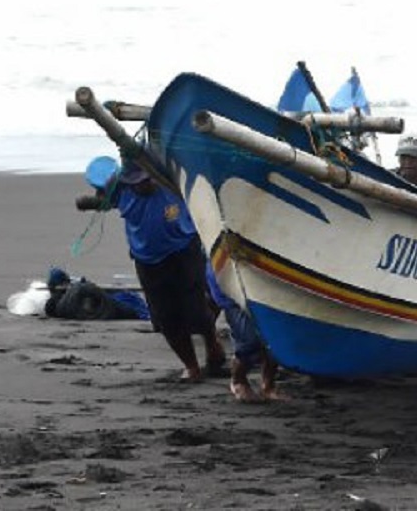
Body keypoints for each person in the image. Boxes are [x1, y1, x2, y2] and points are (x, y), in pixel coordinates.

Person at [79, 156, 226, 382]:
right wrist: (91, 201)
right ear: (127, 182)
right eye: (136, 181)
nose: (143, 184)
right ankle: (191, 366)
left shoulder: (170, 181)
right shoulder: (118, 191)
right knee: (166, 319)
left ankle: (212, 345)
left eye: (146, 179)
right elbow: (101, 200)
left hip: (184, 251)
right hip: (148, 261)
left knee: (197, 309)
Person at [205, 262, 285, 402]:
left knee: (275, 337)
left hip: (268, 278)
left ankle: (268, 384)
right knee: (249, 340)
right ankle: (238, 380)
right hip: (231, 280)